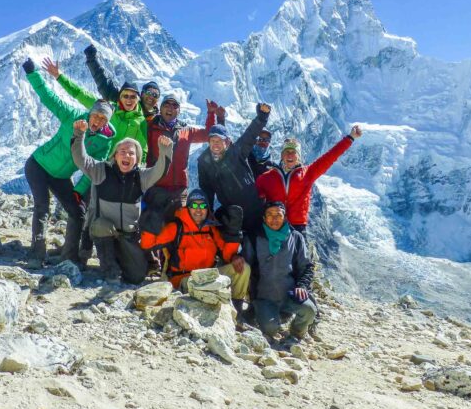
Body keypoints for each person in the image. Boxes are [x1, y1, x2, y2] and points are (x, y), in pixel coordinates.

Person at [21, 57, 116, 266]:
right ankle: (37, 254)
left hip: (62, 176)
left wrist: (78, 190)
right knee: (42, 206)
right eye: (96, 115)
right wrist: (32, 73)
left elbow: (94, 169)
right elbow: (49, 98)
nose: (98, 121)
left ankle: (69, 257)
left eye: (103, 119)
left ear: (107, 122)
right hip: (38, 165)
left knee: (77, 212)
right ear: (91, 112)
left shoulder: (104, 141)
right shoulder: (72, 115)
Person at [71, 118, 173, 283]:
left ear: (137, 159)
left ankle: (124, 261)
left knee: (137, 276)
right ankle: (109, 270)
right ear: (115, 155)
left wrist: (165, 150)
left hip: (129, 236)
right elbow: (80, 159)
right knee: (99, 226)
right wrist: (79, 134)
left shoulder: (141, 177)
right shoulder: (102, 171)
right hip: (106, 231)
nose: (127, 155)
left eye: (131, 153)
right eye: (123, 151)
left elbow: (160, 171)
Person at [140, 188, 250, 316]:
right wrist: (150, 223)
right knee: (208, 286)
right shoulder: (177, 227)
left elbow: (227, 255)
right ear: (188, 208)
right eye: (194, 205)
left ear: (207, 208)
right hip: (183, 279)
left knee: (243, 269)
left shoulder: (211, 229)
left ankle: (236, 310)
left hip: (209, 277)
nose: (198, 209)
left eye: (202, 205)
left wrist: (233, 236)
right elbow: (147, 244)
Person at [255, 126, 363, 234]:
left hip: (297, 226)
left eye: (293, 152)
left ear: (299, 156)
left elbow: (330, 157)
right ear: (282, 155)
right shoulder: (266, 177)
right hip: (273, 225)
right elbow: (254, 200)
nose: (290, 155)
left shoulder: (308, 173)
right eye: (286, 151)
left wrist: (350, 138)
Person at [139, 94, 220, 237]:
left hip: (179, 191)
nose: (170, 108)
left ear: (179, 111)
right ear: (161, 108)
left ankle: (174, 259)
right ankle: (152, 259)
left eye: (174, 106)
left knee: (178, 229)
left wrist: (211, 113)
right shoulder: (151, 127)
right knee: (153, 229)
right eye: (167, 105)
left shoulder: (186, 132)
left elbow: (208, 134)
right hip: (156, 188)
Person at [43, 56, 148, 159]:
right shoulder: (107, 109)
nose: (129, 100)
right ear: (120, 97)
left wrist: (138, 169)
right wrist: (59, 76)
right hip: (100, 160)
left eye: (133, 97)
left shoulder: (141, 121)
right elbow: (80, 94)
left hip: (121, 167)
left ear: (138, 99)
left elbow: (142, 149)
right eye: (125, 96)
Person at [197, 103, 271, 242]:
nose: (216, 144)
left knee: (262, 247)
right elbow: (206, 190)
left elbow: (250, 135)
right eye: (213, 140)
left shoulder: (236, 152)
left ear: (227, 142)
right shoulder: (204, 163)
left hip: (256, 210)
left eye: (220, 140)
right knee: (245, 250)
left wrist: (262, 117)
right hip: (235, 217)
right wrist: (208, 212)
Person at [243, 201, 317, 341]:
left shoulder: (295, 238)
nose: (274, 219)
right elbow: (245, 267)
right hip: (264, 297)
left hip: (289, 295)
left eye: (278, 214)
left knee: (309, 310)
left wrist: (302, 286)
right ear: (264, 218)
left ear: (285, 217)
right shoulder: (254, 238)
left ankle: (296, 332)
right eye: (270, 215)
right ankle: (265, 315)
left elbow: (307, 266)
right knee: (270, 329)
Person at [84, 44, 160, 120]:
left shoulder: (157, 120)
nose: (151, 96)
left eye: (155, 95)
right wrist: (92, 60)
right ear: (142, 94)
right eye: (149, 92)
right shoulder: (126, 100)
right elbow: (104, 83)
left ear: (158, 99)